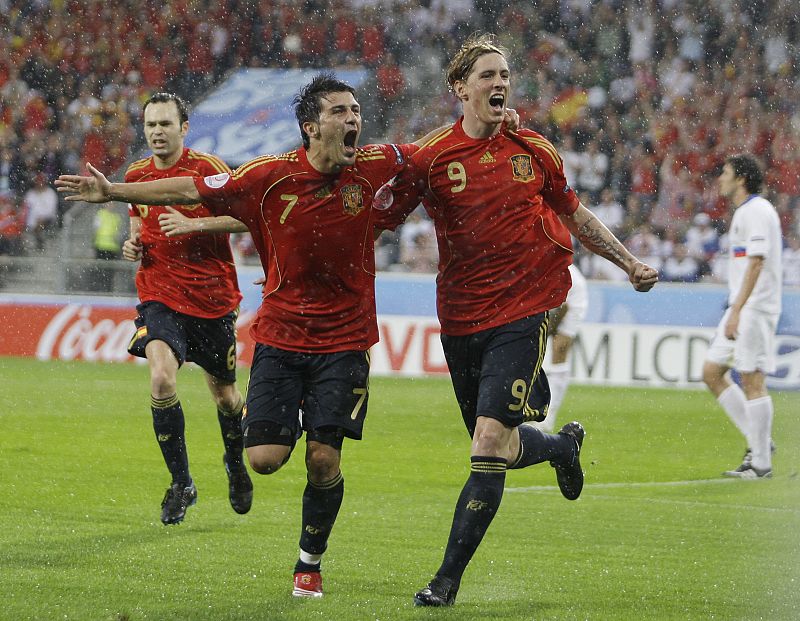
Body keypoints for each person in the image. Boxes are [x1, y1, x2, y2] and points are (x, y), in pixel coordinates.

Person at [56, 73, 479, 598]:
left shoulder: (372, 165)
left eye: (356, 111)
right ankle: (273, 438)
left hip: (345, 341)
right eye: (340, 113)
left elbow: (431, 149)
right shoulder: (267, 177)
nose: (354, 120)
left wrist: (478, 117)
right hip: (280, 337)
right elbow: (191, 189)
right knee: (265, 459)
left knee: (324, 458)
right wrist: (112, 191)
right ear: (310, 126)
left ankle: (309, 562)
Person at [374, 34, 658, 607]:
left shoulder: (535, 151)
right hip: (459, 319)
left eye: (504, 74)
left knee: (486, 443)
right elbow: (377, 217)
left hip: (524, 312)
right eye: (487, 75)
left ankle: (445, 582)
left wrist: (628, 262)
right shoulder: (432, 158)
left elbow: (574, 215)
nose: (499, 83)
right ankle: (559, 448)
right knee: (498, 450)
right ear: (460, 89)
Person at [122, 92, 253, 525]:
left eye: (165, 124)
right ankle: (182, 483)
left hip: (213, 301)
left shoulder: (208, 170)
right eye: (150, 125)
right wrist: (133, 242)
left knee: (227, 396)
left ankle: (234, 462)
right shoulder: (136, 174)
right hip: (160, 296)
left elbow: (248, 217)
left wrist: (194, 223)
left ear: (184, 128)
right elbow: (138, 220)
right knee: (161, 380)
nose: (157, 132)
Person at [702, 154, 782, 479]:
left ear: (741, 179)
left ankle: (761, 463)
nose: (720, 178)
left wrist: (737, 310)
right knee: (711, 372)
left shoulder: (758, 211)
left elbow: (757, 262)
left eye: (725, 173)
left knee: (752, 379)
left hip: (754, 308)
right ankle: (759, 440)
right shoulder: (745, 212)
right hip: (740, 307)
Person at [531, 264, 588, 433]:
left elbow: (565, 306)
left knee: (559, 350)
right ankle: (528, 411)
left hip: (573, 300)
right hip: (553, 302)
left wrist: (548, 330)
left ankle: (548, 418)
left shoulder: (564, 273)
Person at [91, 203, 123, 292]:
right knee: (100, 271)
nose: (111, 206)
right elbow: (95, 229)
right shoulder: (100, 214)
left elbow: (118, 233)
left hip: (112, 248)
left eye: (112, 204)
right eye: (109, 204)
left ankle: (107, 290)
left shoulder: (116, 217)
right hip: (101, 247)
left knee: (109, 273)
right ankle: (98, 290)